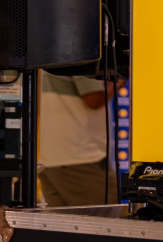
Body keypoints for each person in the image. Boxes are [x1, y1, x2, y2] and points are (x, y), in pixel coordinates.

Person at [38, 72, 122, 207]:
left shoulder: (44, 59)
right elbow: (94, 99)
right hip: (82, 158)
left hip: (49, 159)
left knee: (60, 220)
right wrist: (123, 78)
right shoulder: (83, 59)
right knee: (106, 217)